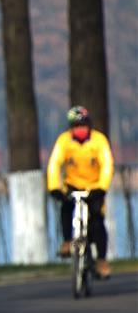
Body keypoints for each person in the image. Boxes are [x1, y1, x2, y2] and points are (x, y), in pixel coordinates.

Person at [47, 105, 114, 278]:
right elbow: (54, 164)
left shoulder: (99, 140)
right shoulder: (64, 141)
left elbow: (107, 164)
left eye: (83, 125)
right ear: (71, 128)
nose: (80, 129)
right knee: (65, 208)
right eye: (76, 126)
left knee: (97, 221)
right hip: (73, 185)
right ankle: (67, 242)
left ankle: (101, 261)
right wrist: (54, 187)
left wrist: (102, 187)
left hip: (94, 186)